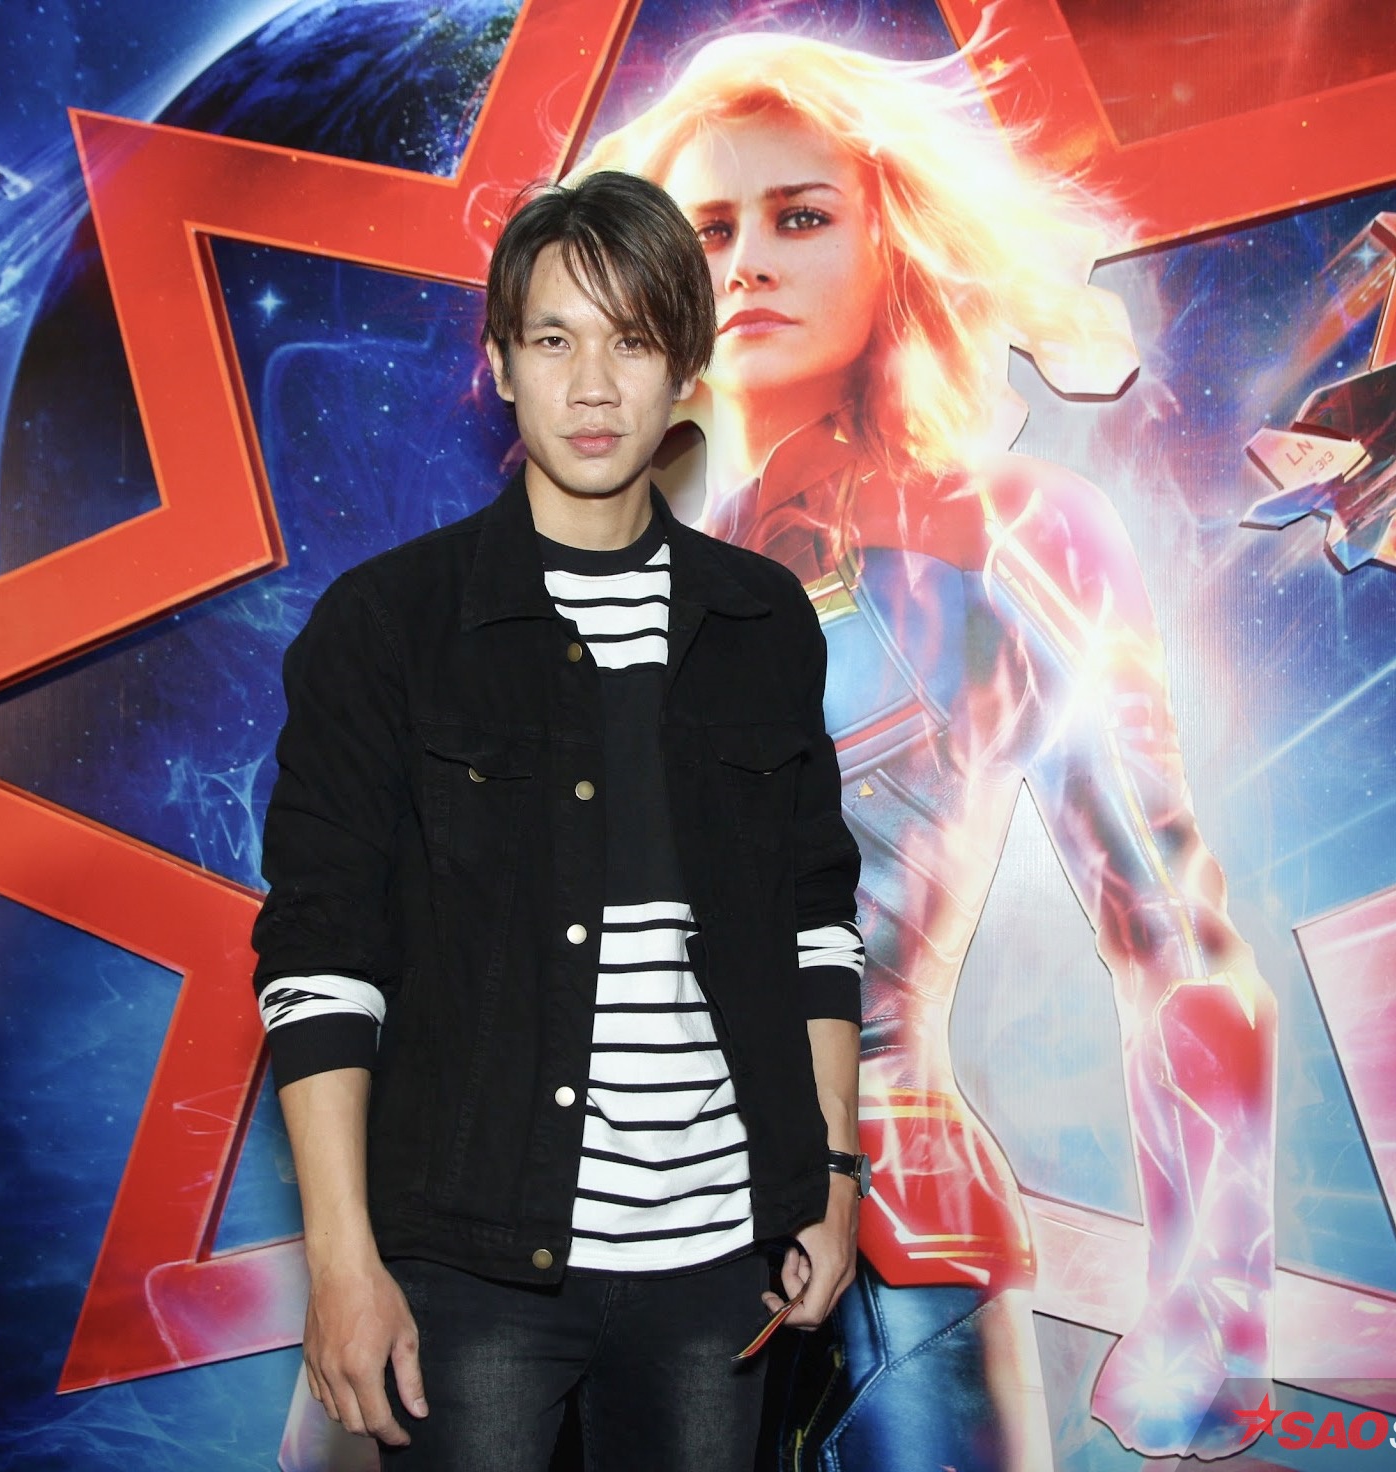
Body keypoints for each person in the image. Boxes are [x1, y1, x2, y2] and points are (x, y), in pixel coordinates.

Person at [580, 34, 1279, 1470]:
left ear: (888, 238)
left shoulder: (1007, 529)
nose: (747, 264)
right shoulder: (572, 567)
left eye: (799, 216)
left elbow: (1171, 931)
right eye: (705, 231)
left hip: (898, 1235)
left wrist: (1208, 1314)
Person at [250, 169, 868, 1472]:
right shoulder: (388, 627)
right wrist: (342, 1263)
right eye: (552, 340)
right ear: (500, 365)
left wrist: (830, 1177)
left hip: (721, 1263)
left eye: (631, 342)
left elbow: (815, 927)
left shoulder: (760, 622)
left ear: (685, 370)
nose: (592, 386)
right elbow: (320, 962)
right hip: (467, 1258)